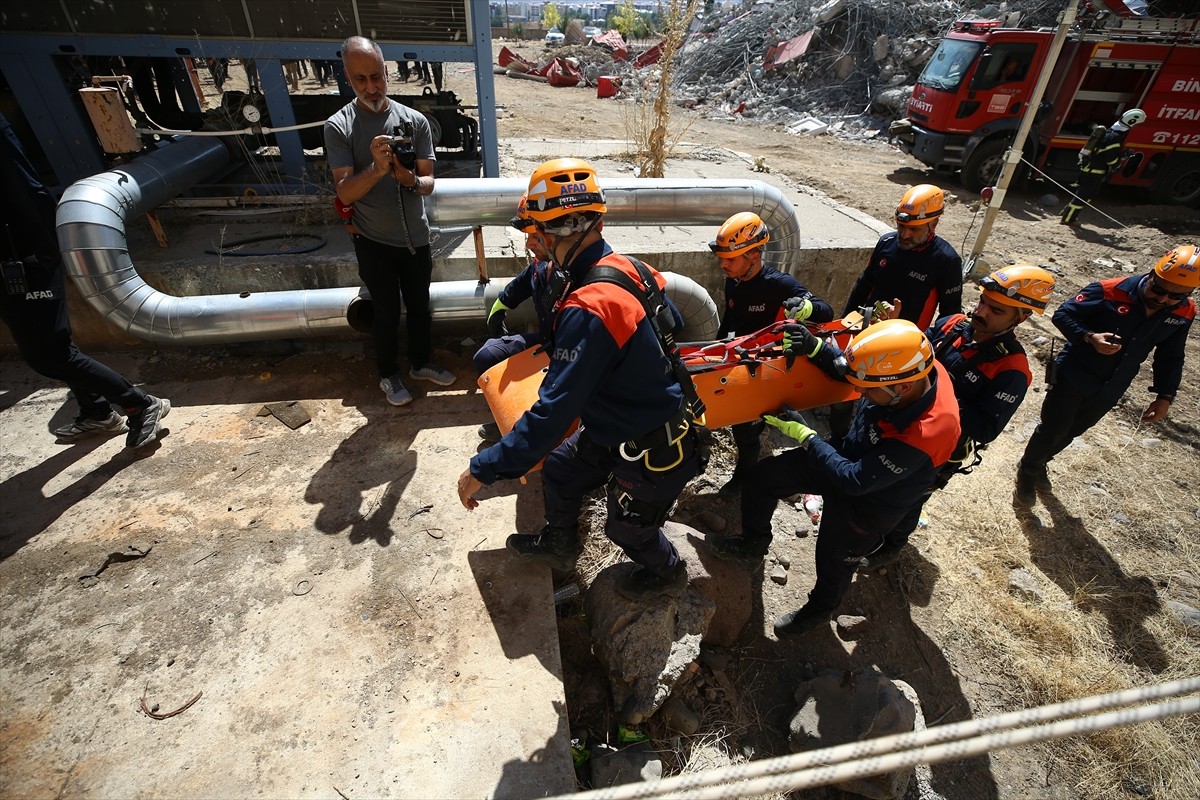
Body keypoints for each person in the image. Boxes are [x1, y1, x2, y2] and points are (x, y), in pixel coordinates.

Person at [457, 158, 705, 601]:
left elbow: (551, 416)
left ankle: (669, 572)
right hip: (618, 424)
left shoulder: (588, 306)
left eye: (534, 231)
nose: (533, 242)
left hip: (653, 445)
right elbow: (676, 321)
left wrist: (483, 469)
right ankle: (560, 542)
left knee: (625, 529)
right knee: (561, 469)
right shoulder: (632, 269)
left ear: (552, 232)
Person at [709, 319, 960, 638]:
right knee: (763, 476)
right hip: (850, 454)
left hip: (870, 500)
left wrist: (807, 437)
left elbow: (855, 481)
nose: (862, 394)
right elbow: (854, 373)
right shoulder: (912, 364)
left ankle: (820, 609)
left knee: (835, 559)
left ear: (902, 388)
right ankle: (753, 544)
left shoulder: (928, 432)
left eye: (869, 389)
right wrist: (816, 347)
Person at [0, 113, 170, 450]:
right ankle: (96, 411)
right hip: (12, 256)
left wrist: (38, 252)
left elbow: (27, 193)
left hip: (20, 255)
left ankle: (138, 402)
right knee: (49, 344)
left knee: (48, 353)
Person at [869, 265, 1055, 565]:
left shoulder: (1011, 371)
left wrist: (937, 389)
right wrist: (894, 331)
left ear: (1021, 317)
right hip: (897, 423)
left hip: (936, 450)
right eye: (982, 301)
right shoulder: (952, 324)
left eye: (995, 309)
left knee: (907, 499)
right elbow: (910, 357)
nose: (981, 311)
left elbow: (985, 429)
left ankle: (891, 545)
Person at [324, 36, 455, 406]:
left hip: (416, 237)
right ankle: (388, 375)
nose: (371, 87)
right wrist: (377, 169)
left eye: (377, 76)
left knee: (419, 307)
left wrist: (408, 178)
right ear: (348, 79)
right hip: (373, 240)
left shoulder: (414, 121)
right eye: (360, 79)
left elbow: (428, 183)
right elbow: (345, 193)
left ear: (387, 71)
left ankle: (420, 362)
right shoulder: (339, 127)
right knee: (384, 312)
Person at [1016, 245, 1197, 504]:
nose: (1163, 299)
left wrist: (1165, 395)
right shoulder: (1108, 290)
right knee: (1054, 427)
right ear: (1152, 274)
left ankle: (1042, 462)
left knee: (1075, 430)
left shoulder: (1185, 312)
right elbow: (1064, 315)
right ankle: (1027, 471)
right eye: (1158, 289)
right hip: (1075, 373)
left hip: (1114, 383)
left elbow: (1171, 355)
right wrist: (1089, 337)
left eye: (1175, 297)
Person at [708, 211, 834, 495]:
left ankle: (745, 480)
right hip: (742, 363)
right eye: (721, 258)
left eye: (730, 259)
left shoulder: (780, 285)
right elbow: (730, 321)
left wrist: (806, 309)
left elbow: (826, 310)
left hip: (770, 370)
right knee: (739, 427)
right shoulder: (734, 281)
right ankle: (747, 467)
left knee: (749, 430)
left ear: (753, 255)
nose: (722, 264)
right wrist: (716, 353)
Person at [830, 183, 963, 438]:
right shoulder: (887, 243)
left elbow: (949, 318)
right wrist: (844, 322)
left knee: (881, 400)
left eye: (913, 229)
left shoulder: (946, 260)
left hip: (902, 348)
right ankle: (840, 436)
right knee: (847, 389)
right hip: (864, 331)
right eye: (901, 226)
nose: (904, 234)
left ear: (933, 225)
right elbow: (863, 285)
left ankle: (870, 439)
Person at [473, 192, 555, 442]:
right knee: (488, 355)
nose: (529, 244)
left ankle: (534, 429)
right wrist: (499, 308)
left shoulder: (581, 274)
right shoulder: (542, 264)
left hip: (573, 354)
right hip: (549, 341)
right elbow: (520, 285)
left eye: (534, 237)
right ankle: (510, 417)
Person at [1061, 108, 1146, 226]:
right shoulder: (1115, 137)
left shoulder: (1110, 132)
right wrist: (1117, 166)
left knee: (1085, 194)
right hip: (1094, 171)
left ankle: (1067, 212)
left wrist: (1123, 154)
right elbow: (1110, 159)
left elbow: (1104, 152)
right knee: (1083, 196)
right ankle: (1068, 219)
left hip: (1090, 168)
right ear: (1131, 122)